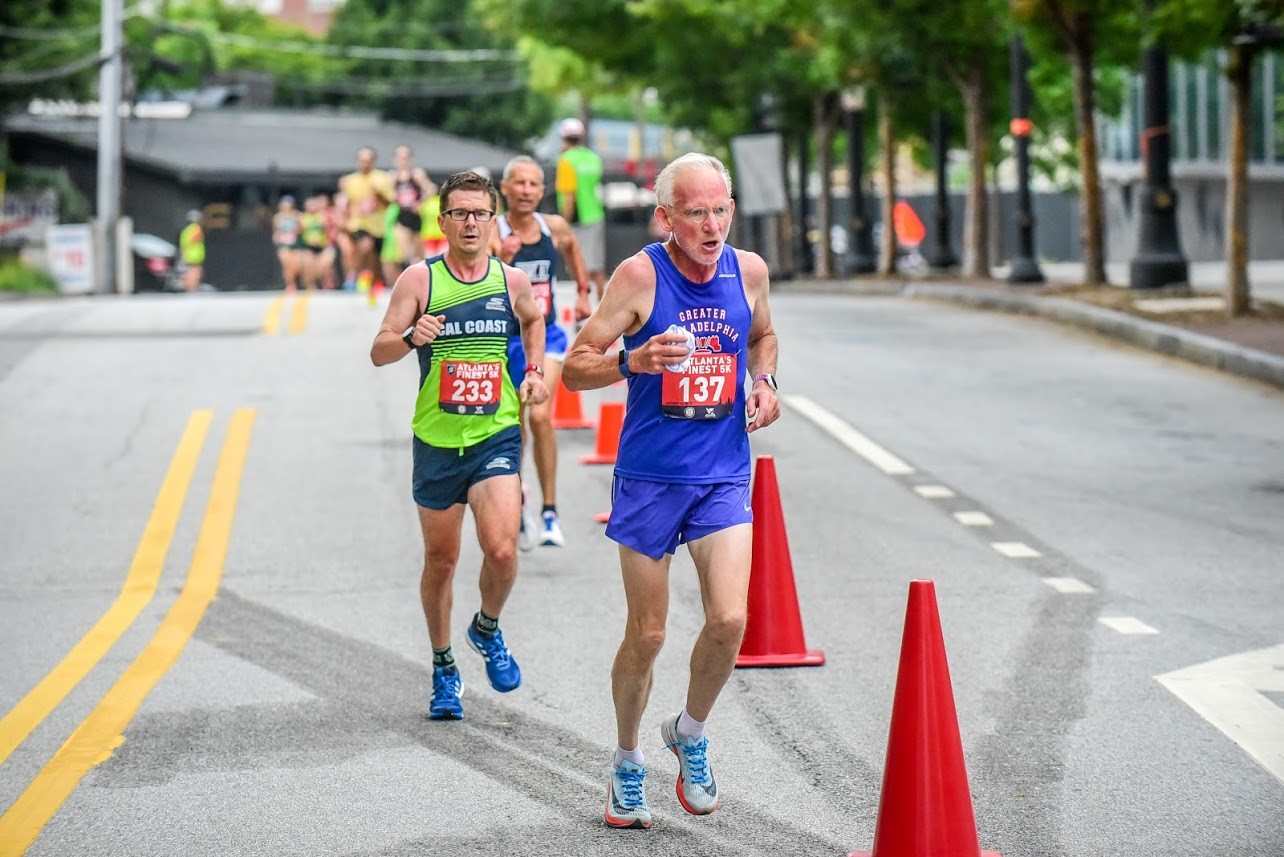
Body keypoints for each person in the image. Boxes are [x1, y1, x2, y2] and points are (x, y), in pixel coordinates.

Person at [561, 152, 781, 829]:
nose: (710, 226)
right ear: (666, 218)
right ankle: (628, 761)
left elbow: (764, 335)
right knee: (649, 633)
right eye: (695, 213)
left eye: (719, 211)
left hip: (721, 473)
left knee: (730, 620)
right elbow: (575, 367)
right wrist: (633, 361)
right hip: (650, 478)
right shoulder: (639, 276)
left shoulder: (749, 271)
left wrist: (765, 383)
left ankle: (689, 731)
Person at [369, 170, 549, 722]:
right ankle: (443, 666)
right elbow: (379, 350)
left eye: (480, 213)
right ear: (443, 222)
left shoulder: (510, 281)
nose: (470, 222)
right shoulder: (419, 281)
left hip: (495, 433)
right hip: (437, 440)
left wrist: (535, 371)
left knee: (502, 550)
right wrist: (409, 337)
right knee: (442, 561)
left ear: (493, 221)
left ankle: (487, 628)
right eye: (460, 213)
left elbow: (534, 320)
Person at [489, 155, 593, 549]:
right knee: (512, 424)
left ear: (542, 191)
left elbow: (573, 249)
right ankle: (517, 502)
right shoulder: (493, 231)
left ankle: (550, 511)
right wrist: (503, 260)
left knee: (539, 414)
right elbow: (480, 280)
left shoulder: (554, 227)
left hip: (546, 335)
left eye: (534, 184)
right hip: (506, 340)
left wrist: (582, 293)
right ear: (505, 188)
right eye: (519, 183)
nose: (527, 191)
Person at [555, 118, 607, 301]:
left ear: (564, 137)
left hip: (577, 218)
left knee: (578, 263)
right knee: (596, 263)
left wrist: (563, 223)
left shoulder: (566, 160)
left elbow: (569, 196)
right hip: (596, 213)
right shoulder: (593, 158)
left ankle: (583, 302)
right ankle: (602, 303)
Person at [340, 146, 394, 294]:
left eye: (367, 161)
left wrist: (379, 194)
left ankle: (373, 281)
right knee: (366, 245)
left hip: (379, 224)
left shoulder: (382, 178)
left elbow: (390, 203)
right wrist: (344, 221)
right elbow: (346, 204)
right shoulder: (350, 180)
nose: (364, 164)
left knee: (376, 257)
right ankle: (356, 275)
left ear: (373, 161)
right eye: (362, 161)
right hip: (358, 222)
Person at [392, 144, 437, 265]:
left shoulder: (416, 174)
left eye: (405, 158)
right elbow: (389, 194)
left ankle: (418, 271)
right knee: (405, 254)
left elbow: (431, 189)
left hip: (415, 215)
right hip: (402, 215)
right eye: (400, 158)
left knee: (418, 255)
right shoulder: (393, 176)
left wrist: (420, 203)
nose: (402, 161)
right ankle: (406, 269)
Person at [272, 195, 304, 293]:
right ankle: (290, 284)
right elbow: (276, 231)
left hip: (296, 243)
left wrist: (296, 228)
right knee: (286, 264)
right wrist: (276, 238)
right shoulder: (278, 217)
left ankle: (296, 281)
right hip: (283, 244)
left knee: (296, 265)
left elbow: (301, 230)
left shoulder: (298, 215)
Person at [178, 209, 205, 293]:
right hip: (195, 255)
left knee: (189, 270)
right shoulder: (196, 228)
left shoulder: (186, 230)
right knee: (195, 271)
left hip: (188, 254)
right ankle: (191, 287)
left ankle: (189, 286)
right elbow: (195, 239)